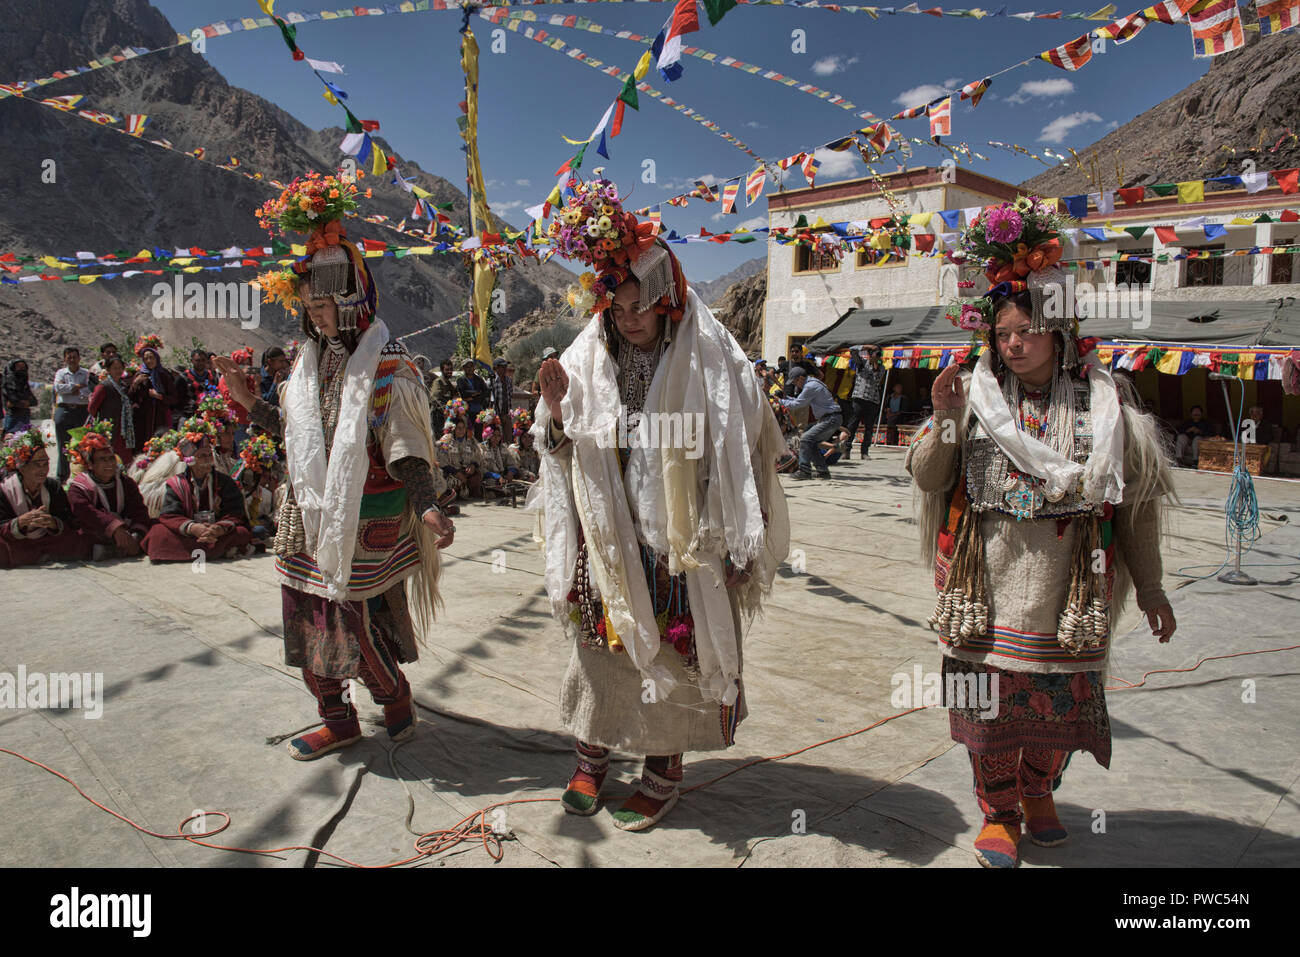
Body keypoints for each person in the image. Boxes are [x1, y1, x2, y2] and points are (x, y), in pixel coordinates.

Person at [906, 200, 1177, 868]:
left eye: (1027, 331)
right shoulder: (972, 401)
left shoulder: (1107, 409)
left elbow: (1133, 510)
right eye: (1003, 334)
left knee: (1055, 705)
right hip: (984, 587)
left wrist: (1151, 588)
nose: (1013, 344)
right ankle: (997, 810)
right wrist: (942, 417)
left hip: (1066, 592)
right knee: (989, 707)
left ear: (1060, 334)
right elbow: (928, 474)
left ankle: (1038, 789)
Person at [535, 176, 789, 831]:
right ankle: (591, 758)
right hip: (610, 538)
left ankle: (661, 771)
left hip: (682, 544)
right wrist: (559, 413)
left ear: (668, 300)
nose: (628, 319)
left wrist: (739, 541)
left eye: (638, 307)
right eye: (617, 309)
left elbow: (743, 454)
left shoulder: (714, 365)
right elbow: (556, 445)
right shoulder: (587, 359)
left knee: (674, 661)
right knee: (600, 654)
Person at [214, 174, 455, 761]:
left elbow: (406, 446)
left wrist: (427, 504)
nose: (318, 318)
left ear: (352, 299)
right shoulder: (305, 362)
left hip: (366, 517)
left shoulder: (390, 366)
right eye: (311, 308)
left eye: (325, 306)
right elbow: (297, 435)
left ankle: (393, 699)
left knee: (349, 622)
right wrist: (248, 406)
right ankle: (338, 718)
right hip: (306, 513)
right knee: (304, 619)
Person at [140, 421, 252, 562]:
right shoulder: (176, 484)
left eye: (209, 455)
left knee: (242, 532)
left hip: (216, 531)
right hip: (190, 532)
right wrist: (193, 528)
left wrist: (219, 528)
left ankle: (197, 550)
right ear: (191, 460)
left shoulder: (224, 482)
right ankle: (218, 550)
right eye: (202, 456)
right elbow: (169, 515)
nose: (208, 460)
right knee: (158, 533)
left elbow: (235, 512)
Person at [0, 429, 89, 567]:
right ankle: (37, 555)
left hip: (46, 539)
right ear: (22, 468)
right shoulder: (4, 489)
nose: (43, 470)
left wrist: (53, 523)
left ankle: (34, 555)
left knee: (78, 538)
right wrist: (20, 522)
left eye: (45, 464)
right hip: (17, 541)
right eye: (37, 465)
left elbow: (69, 520)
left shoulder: (53, 486)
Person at [66, 429, 153, 561]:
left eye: (111, 458)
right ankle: (116, 547)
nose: (110, 464)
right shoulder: (78, 488)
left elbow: (138, 510)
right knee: (77, 536)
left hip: (127, 530)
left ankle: (126, 546)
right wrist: (114, 528)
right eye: (102, 460)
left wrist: (136, 534)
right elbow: (86, 513)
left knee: (156, 528)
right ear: (90, 464)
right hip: (98, 533)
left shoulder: (126, 483)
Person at [779, 365, 843, 480]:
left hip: (830, 418)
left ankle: (804, 470)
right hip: (831, 418)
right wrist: (785, 398)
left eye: (794, 382)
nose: (795, 385)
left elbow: (797, 404)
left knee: (805, 439)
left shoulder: (810, 386)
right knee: (811, 442)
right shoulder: (813, 384)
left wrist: (779, 401)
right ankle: (822, 471)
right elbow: (798, 401)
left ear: (801, 378)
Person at [53, 346, 93, 483]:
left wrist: (72, 389)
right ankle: (61, 476)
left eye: (74, 356)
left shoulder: (87, 373)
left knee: (83, 444)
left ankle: (84, 474)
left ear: (79, 358)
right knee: (63, 445)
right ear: (64, 359)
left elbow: (90, 389)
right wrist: (76, 387)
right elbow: (58, 388)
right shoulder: (60, 373)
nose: (72, 359)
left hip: (81, 411)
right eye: (69, 357)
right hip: (64, 410)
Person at [129, 338, 179, 448]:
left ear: (157, 358)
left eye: (151, 358)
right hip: (143, 417)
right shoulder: (139, 375)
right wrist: (135, 384)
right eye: (146, 358)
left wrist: (159, 396)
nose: (149, 361)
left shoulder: (164, 376)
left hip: (161, 416)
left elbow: (174, 398)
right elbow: (131, 397)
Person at [86, 355, 136, 462]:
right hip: (110, 430)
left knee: (124, 460)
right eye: (114, 368)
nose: (118, 371)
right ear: (108, 370)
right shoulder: (103, 387)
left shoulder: (124, 386)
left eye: (120, 368)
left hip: (124, 432)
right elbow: (92, 408)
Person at [844, 345, 885, 459]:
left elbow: (877, 379)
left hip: (872, 400)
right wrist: (867, 347)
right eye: (875, 353)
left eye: (878, 354)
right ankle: (846, 450)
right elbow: (852, 349)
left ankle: (864, 452)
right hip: (859, 398)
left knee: (869, 427)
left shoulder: (881, 367)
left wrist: (875, 363)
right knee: (852, 425)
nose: (877, 356)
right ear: (869, 354)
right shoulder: (861, 363)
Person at [435, 406, 482, 503]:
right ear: (453, 429)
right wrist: (457, 473)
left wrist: (473, 465)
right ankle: (451, 494)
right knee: (446, 480)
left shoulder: (471, 441)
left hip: (465, 473)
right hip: (451, 473)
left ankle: (466, 491)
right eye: (458, 428)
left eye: (463, 428)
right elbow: (441, 461)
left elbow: (478, 456)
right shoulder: (446, 440)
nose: (461, 431)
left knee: (478, 475)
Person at [177, 348, 216, 418]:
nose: (200, 363)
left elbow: (215, 394)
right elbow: (175, 398)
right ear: (192, 361)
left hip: (207, 416)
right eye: (197, 360)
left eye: (203, 360)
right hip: (187, 416)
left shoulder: (212, 376)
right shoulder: (183, 378)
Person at [3, 358, 38, 435]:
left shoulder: (25, 385)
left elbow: (34, 401)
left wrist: (23, 403)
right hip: (12, 418)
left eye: (23, 367)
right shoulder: (7, 384)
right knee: (11, 441)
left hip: (25, 418)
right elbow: (11, 402)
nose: (22, 369)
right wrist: (25, 402)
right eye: (19, 367)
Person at [456, 358, 490, 437]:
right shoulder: (461, 380)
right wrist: (476, 393)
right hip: (466, 411)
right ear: (463, 368)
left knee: (478, 433)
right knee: (466, 432)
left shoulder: (479, 380)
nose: (470, 369)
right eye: (467, 367)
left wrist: (471, 397)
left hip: (478, 411)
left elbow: (485, 393)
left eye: (471, 366)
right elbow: (463, 394)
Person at [428, 358, 457, 436]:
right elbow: (434, 399)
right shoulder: (438, 382)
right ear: (442, 370)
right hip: (438, 417)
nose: (449, 372)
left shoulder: (449, 383)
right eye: (447, 369)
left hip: (446, 417)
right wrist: (445, 409)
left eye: (451, 369)